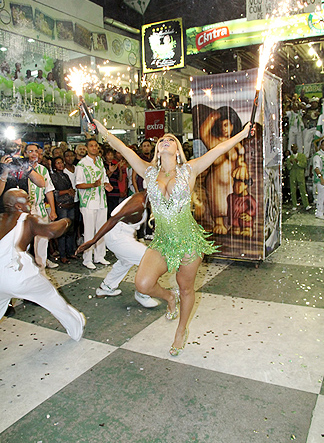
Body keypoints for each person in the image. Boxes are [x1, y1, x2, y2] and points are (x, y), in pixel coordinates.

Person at [93, 118, 253, 356]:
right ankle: (169, 297)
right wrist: (104, 132)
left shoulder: (190, 170)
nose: (165, 141)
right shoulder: (148, 171)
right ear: (157, 150)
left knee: (186, 288)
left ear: (177, 149)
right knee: (143, 284)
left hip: (188, 240)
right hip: (162, 241)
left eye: (171, 140)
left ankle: (180, 331)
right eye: (161, 140)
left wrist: (241, 134)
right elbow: (123, 149)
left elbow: (219, 149)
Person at [0, 189, 85, 341]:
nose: (29, 202)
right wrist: (66, 221)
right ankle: (76, 329)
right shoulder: (27, 219)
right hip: (19, 275)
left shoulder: (1, 218)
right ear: (17, 206)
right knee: (52, 298)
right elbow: (51, 232)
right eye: (26, 200)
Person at [76, 191, 158, 308]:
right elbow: (113, 219)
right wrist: (93, 241)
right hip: (117, 237)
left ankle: (106, 287)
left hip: (121, 236)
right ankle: (142, 293)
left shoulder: (145, 198)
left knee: (126, 261)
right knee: (151, 260)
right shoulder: (138, 203)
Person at [199, 105, 248, 235]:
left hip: (231, 183)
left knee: (233, 203)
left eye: (227, 125)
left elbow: (242, 160)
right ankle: (219, 223)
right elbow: (203, 131)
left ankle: (235, 224)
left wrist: (242, 167)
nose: (224, 129)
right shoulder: (213, 142)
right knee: (217, 202)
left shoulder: (236, 143)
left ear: (233, 125)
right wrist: (214, 116)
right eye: (222, 125)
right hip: (215, 182)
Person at [75, 138, 113, 269]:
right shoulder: (82, 164)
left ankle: (99, 256)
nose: (94, 148)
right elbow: (78, 184)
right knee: (89, 231)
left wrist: (107, 184)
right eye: (91, 146)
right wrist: (93, 185)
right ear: (86, 148)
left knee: (101, 230)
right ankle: (87, 258)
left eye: (96, 146)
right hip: (88, 203)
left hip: (101, 200)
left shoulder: (100, 162)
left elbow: (104, 178)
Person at [24, 143, 58, 272]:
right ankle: (25, 270)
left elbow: (48, 190)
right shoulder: (21, 168)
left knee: (42, 240)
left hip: (40, 208)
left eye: (36, 151)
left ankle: (41, 269)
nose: (34, 154)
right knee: (25, 241)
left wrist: (53, 210)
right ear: (25, 153)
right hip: (26, 210)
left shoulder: (43, 169)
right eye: (30, 151)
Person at [50, 157, 76, 263]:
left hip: (70, 205)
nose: (60, 165)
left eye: (61, 163)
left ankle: (70, 252)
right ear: (54, 165)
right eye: (57, 163)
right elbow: (54, 192)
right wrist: (66, 191)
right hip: (61, 206)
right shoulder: (53, 177)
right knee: (62, 231)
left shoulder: (65, 175)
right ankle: (62, 254)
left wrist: (71, 191)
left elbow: (70, 188)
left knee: (70, 230)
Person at [285, 144, 311, 211]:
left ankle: (306, 204)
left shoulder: (302, 156)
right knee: (293, 191)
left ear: (297, 148)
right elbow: (288, 167)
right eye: (292, 148)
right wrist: (290, 163)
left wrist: (298, 162)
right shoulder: (289, 158)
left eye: (295, 147)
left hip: (300, 175)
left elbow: (304, 165)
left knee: (303, 190)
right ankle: (294, 205)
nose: (294, 149)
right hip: (292, 176)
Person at [313, 138, 324, 218]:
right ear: (321, 145)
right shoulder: (317, 155)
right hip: (320, 179)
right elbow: (316, 168)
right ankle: (319, 213)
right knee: (321, 196)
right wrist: (321, 178)